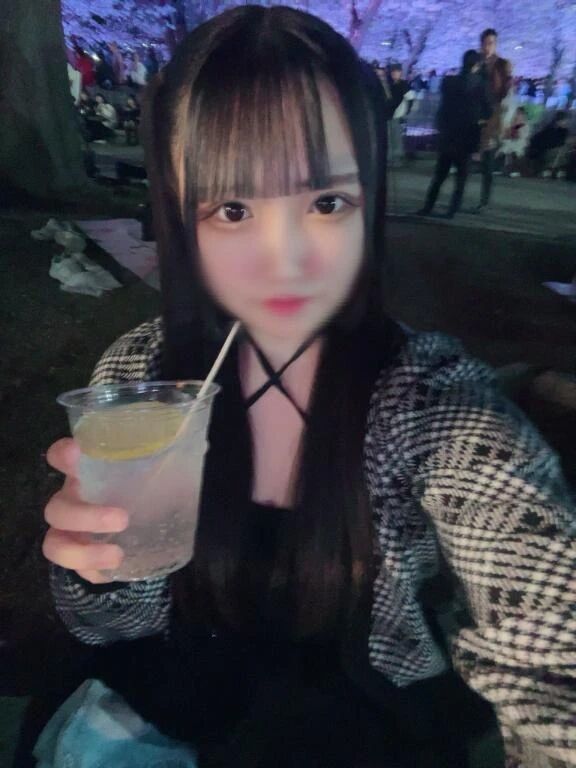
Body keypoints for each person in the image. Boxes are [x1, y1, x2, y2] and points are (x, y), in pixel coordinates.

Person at [40, 7, 575, 768]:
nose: (284, 257)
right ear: (181, 218)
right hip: (183, 703)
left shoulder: (435, 402)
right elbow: (110, 628)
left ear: (368, 203)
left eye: (326, 202)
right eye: (232, 209)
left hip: (366, 725)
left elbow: (551, 651)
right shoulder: (139, 378)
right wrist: (94, 571)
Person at [417, 50, 491, 218]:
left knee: (440, 174)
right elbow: (488, 110)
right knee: (461, 178)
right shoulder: (481, 85)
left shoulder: (449, 82)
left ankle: (428, 206)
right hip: (467, 135)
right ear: (477, 65)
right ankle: (452, 210)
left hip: (449, 134)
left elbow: (443, 107)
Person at [477, 28, 513, 210]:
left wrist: (503, 118)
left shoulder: (502, 65)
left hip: (493, 114)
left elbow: (507, 92)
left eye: (491, 43)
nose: (488, 47)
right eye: (485, 43)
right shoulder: (476, 61)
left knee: (488, 161)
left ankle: (484, 200)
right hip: (475, 113)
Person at [384, 64, 415, 166]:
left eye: (396, 71)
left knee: (396, 137)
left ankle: (396, 159)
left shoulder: (403, 85)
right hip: (389, 114)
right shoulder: (390, 84)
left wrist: (406, 113)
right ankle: (390, 158)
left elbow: (410, 99)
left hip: (397, 114)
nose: (394, 74)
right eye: (393, 72)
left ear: (400, 72)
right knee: (390, 137)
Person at [526, 110, 572, 176]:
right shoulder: (550, 129)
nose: (567, 123)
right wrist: (565, 142)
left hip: (550, 150)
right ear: (559, 121)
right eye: (565, 121)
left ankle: (556, 169)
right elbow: (550, 143)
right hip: (543, 151)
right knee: (563, 149)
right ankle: (551, 169)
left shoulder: (564, 130)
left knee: (568, 150)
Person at [497, 106, 530, 176]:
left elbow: (523, 136)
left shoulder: (525, 124)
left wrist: (515, 134)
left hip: (520, 142)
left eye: (520, 113)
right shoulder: (513, 124)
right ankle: (502, 168)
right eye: (517, 113)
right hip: (510, 142)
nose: (518, 115)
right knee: (504, 150)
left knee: (515, 152)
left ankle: (514, 169)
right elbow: (506, 135)